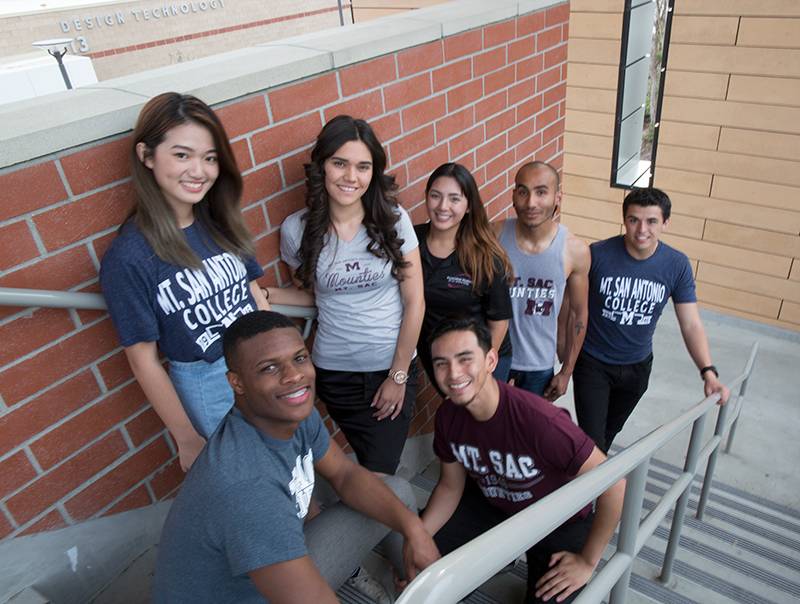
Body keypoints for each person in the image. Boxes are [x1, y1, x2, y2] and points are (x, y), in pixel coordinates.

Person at [152, 311, 440, 603]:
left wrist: (416, 531)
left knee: (396, 494)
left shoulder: (287, 414)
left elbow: (345, 474)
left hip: (265, 576)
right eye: (269, 368)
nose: (293, 376)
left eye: (299, 358)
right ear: (237, 383)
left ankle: (425, 590)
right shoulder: (245, 486)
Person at [99, 93, 269, 471]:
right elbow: (144, 361)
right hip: (210, 382)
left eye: (209, 158)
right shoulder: (128, 258)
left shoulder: (219, 221)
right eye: (182, 155)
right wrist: (186, 437)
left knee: (289, 461)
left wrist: (280, 357)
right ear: (146, 155)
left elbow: (254, 293)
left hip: (263, 360)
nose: (199, 170)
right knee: (250, 478)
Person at [420, 316, 625, 603]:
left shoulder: (540, 421)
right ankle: (496, 558)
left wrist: (588, 562)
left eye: (465, 359)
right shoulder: (447, 415)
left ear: (491, 360)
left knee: (562, 595)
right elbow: (450, 487)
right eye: (441, 363)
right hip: (493, 504)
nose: (453, 373)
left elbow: (614, 483)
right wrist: (419, 536)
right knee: (425, 570)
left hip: (556, 519)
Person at [270, 115, 424, 476]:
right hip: (334, 374)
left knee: (380, 473)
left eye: (362, 166)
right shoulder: (297, 230)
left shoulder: (393, 220)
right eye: (339, 163)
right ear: (322, 165)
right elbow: (316, 298)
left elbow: (415, 301)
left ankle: (389, 529)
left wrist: (398, 375)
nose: (350, 177)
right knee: (369, 470)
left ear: (374, 173)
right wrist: (264, 294)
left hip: (391, 368)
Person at [572, 187, 730, 453]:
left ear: (665, 223)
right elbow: (573, 308)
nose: (641, 229)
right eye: (634, 220)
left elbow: (690, 323)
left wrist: (708, 371)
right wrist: (566, 360)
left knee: (609, 432)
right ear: (624, 220)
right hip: (593, 364)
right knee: (592, 439)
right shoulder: (597, 254)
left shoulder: (676, 264)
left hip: (637, 368)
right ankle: (588, 488)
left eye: (652, 221)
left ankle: (592, 480)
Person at [493, 161, 590, 400]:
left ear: (558, 197)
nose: (531, 203)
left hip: (539, 368)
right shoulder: (493, 236)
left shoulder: (574, 250)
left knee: (530, 435)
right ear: (514, 195)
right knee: (491, 433)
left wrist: (566, 372)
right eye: (523, 191)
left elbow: (579, 314)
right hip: (494, 359)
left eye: (541, 192)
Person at [415, 162, 513, 384]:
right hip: (439, 355)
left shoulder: (485, 256)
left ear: (469, 206)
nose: (442, 206)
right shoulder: (411, 241)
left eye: (454, 199)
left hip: (482, 356)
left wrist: (484, 368)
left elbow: (499, 322)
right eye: (435, 196)